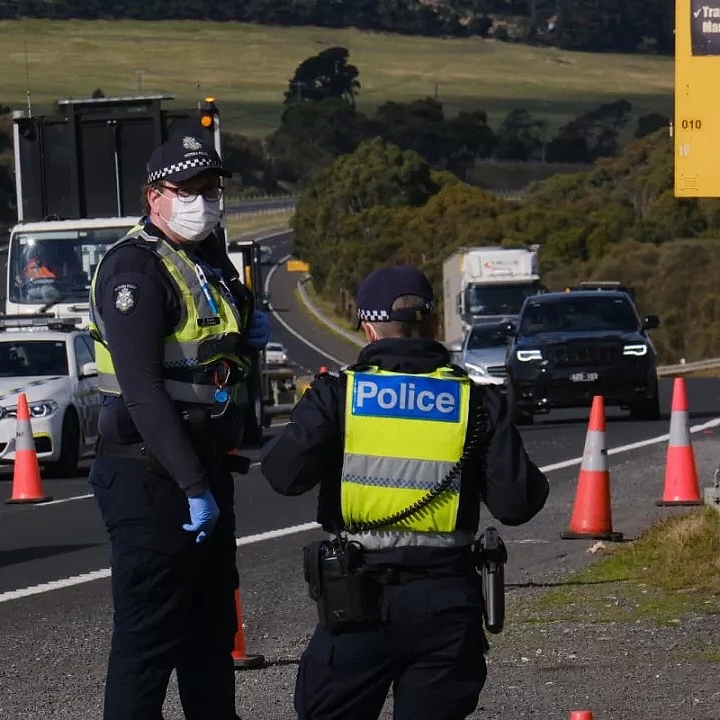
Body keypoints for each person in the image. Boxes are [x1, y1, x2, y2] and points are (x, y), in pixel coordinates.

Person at [261, 265, 549, 720]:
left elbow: (282, 474)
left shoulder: (339, 396)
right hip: (447, 605)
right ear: (432, 324)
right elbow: (517, 504)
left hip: (355, 602)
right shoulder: (477, 401)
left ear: (370, 328)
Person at [86, 130, 271, 720]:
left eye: (211, 188)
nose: (203, 200)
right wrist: (193, 486)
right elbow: (142, 391)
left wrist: (250, 332)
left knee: (210, 636)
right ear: (153, 197)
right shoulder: (135, 272)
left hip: (205, 469)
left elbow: (213, 352)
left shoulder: (205, 260)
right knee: (148, 640)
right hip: (151, 476)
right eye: (187, 189)